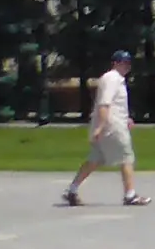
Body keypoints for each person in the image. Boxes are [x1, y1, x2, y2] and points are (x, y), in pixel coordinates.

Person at [62, 49, 147, 208]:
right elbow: (104, 104)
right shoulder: (112, 78)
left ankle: (72, 190)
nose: (126, 66)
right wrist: (101, 127)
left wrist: (126, 118)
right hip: (111, 127)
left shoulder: (116, 79)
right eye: (123, 63)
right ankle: (130, 195)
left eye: (128, 63)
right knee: (126, 157)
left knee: (95, 159)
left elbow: (115, 104)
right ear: (115, 63)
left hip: (111, 124)